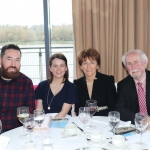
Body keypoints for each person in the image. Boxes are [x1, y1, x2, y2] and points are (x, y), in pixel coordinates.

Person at [0, 44, 35, 132]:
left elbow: (30, 113)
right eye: (9, 59)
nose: (13, 64)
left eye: (17, 60)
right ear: (1, 60)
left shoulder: (26, 83)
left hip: (17, 133)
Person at [74, 48, 117, 116]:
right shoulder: (77, 83)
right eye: (85, 63)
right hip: (86, 121)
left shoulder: (108, 80)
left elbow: (113, 107)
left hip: (104, 119)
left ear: (97, 65)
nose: (88, 67)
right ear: (81, 66)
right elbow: (78, 109)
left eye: (92, 62)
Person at [35, 53, 79, 118]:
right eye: (55, 66)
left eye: (62, 65)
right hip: (45, 122)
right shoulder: (42, 85)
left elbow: (63, 113)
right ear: (50, 68)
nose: (58, 69)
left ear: (66, 68)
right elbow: (39, 110)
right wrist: (39, 123)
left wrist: (48, 124)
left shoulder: (71, 87)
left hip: (64, 122)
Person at [115, 49, 150, 128]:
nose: (133, 67)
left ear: (144, 63)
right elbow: (119, 109)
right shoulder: (123, 85)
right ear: (126, 68)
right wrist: (140, 120)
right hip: (136, 126)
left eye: (136, 62)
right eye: (129, 64)